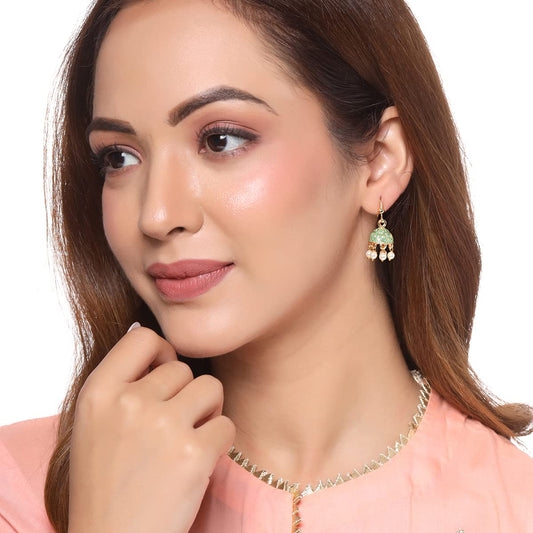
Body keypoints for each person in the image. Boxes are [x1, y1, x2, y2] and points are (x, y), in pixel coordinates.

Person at [1, 0, 532, 531]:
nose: (157, 215)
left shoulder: (513, 508)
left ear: (379, 161)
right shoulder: (17, 491)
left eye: (221, 140)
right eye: (119, 157)